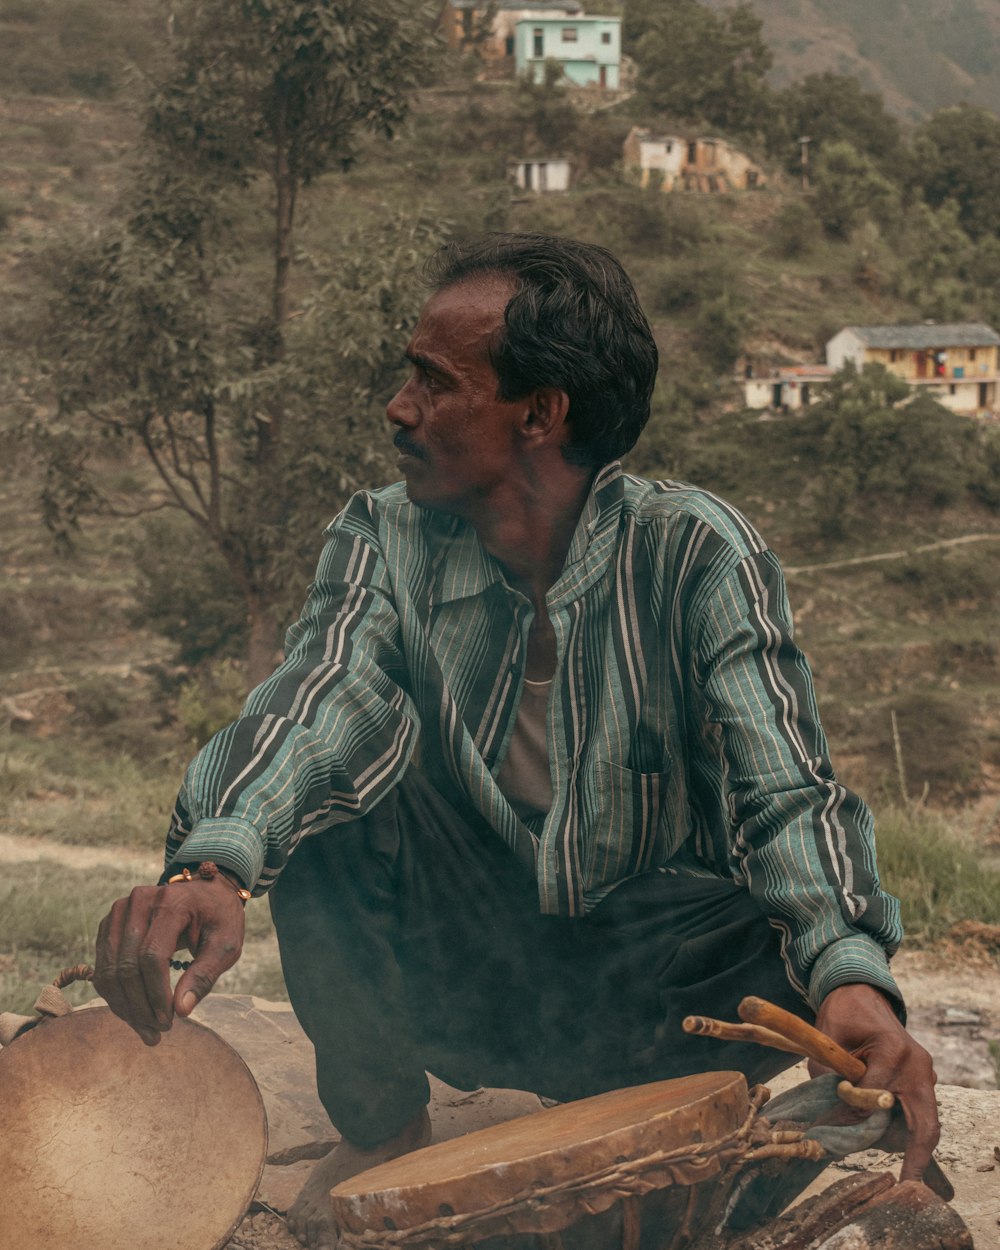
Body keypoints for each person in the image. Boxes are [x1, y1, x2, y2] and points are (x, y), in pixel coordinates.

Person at [95, 234, 939, 1250]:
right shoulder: (380, 535)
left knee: (778, 933)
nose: (399, 407)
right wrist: (213, 860)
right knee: (328, 809)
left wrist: (849, 977)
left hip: (654, 997)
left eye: (433, 382)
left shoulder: (697, 549)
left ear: (541, 414)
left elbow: (786, 794)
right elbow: (319, 697)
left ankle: (677, 1135)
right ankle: (384, 1125)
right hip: (469, 971)